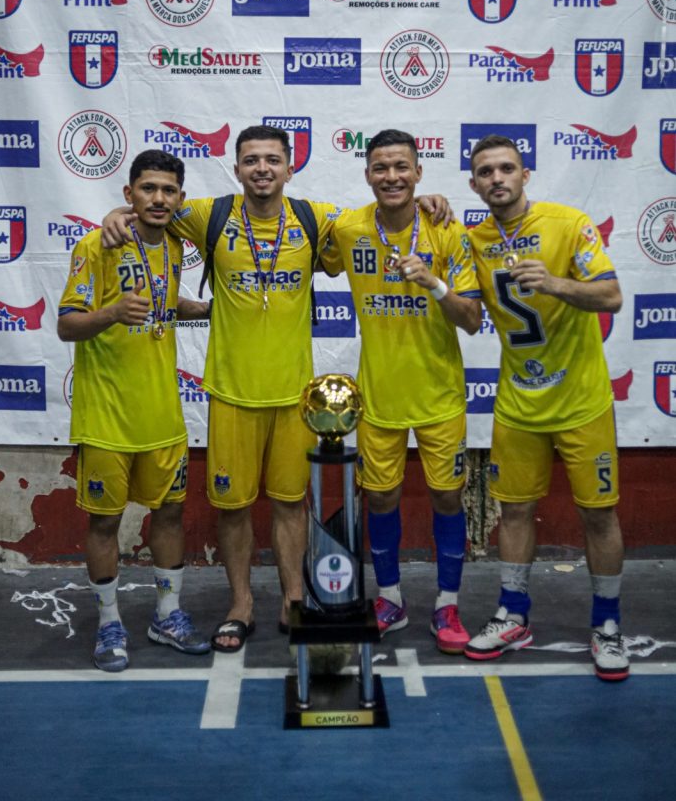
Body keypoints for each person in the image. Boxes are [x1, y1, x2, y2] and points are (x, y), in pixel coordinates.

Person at [102, 126, 449, 653]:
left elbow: (384, 214)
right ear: (236, 169)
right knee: (234, 508)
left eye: (271, 160)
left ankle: (293, 598)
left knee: (291, 504)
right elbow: (151, 208)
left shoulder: (316, 219)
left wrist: (423, 202)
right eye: (250, 160)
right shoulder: (209, 215)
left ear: (290, 167)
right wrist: (116, 214)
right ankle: (240, 604)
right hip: (231, 393)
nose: (261, 169)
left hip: (293, 397)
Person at [464, 133, 628, 680]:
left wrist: (556, 283)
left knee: (598, 513)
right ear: (474, 184)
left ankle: (607, 623)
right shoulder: (473, 239)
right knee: (512, 510)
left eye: (506, 168)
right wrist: (428, 204)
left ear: (525, 174)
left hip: (581, 401)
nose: (497, 178)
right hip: (517, 404)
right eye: (485, 172)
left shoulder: (568, 223)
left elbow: (612, 296)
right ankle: (514, 614)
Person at [321, 130, 482, 653]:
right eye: (381, 168)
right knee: (382, 496)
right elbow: (300, 243)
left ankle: (447, 603)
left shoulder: (447, 230)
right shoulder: (348, 229)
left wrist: (434, 283)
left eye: (401, 167)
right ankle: (389, 598)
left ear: (418, 173)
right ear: (367, 174)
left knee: (447, 495)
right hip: (379, 396)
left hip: (439, 396)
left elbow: (472, 319)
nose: (391, 176)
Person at [57, 150, 210, 672]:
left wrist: (202, 308)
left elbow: (164, 301)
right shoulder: (97, 245)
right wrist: (111, 313)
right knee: (105, 523)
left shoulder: (175, 245)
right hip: (107, 418)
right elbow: (67, 324)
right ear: (129, 194)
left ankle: (167, 615)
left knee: (170, 514)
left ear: (180, 198)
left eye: (168, 190)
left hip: (163, 414)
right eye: (148, 188)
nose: (158, 198)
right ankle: (109, 624)